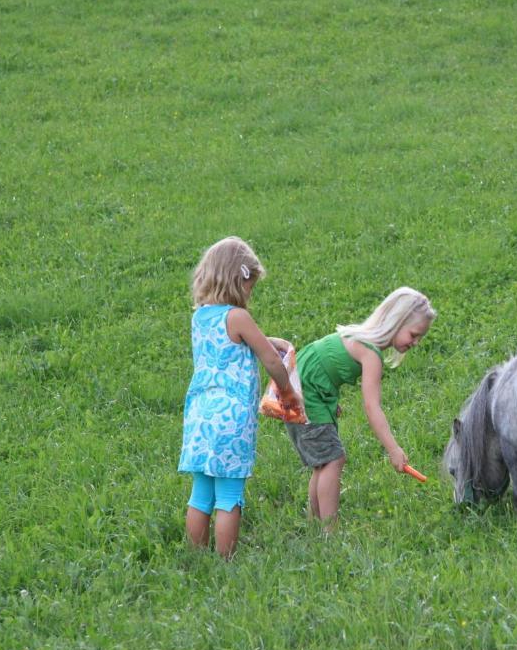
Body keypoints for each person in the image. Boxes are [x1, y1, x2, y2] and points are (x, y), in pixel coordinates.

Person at [178, 236, 301, 559]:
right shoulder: (238, 317)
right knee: (230, 494)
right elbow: (271, 360)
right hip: (232, 419)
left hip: (200, 416)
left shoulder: (200, 317)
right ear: (238, 279)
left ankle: (196, 556)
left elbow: (238, 342)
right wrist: (286, 391)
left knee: (201, 492)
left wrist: (266, 338)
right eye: (250, 286)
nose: (250, 294)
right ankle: (225, 560)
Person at [286, 287, 436, 531]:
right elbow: (372, 406)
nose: (416, 342)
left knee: (323, 462)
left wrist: (328, 401)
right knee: (334, 459)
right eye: (414, 334)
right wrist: (393, 449)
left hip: (304, 388)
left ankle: (315, 522)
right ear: (397, 322)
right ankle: (329, 530)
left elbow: (322, 362)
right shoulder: (371, 354)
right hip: (306, 394)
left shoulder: (361, 339)